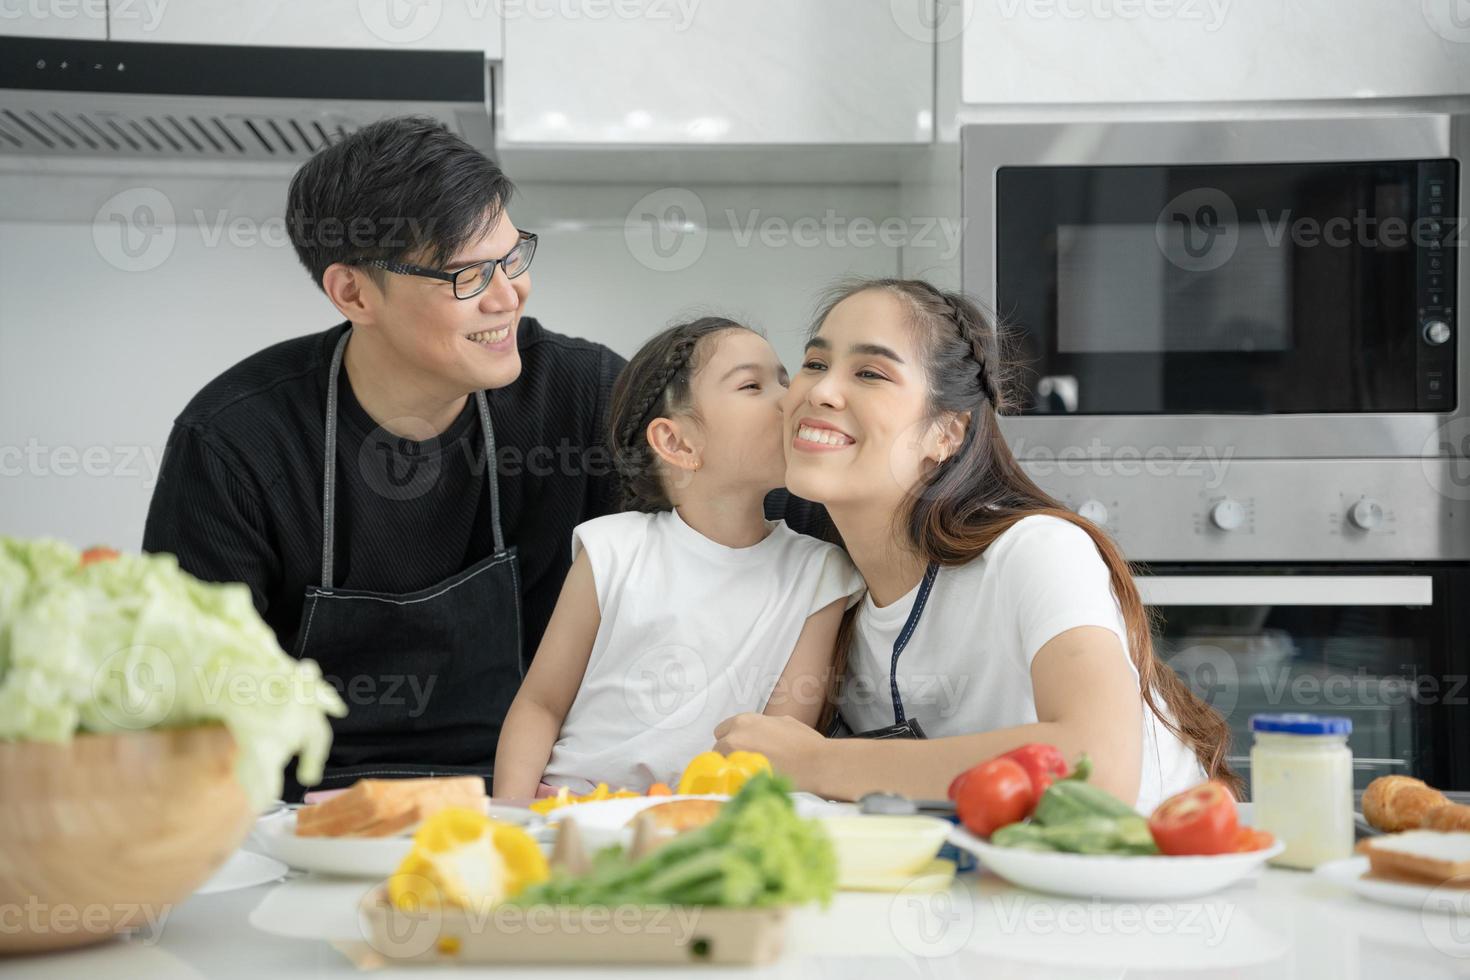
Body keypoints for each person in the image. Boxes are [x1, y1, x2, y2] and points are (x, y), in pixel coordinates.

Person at [141, 116, 625, 799]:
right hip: (298, 820)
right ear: (353, 293)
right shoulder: (235, 441)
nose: (507, 294)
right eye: (466, 275)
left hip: (526, 800)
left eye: (514, 258)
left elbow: (749, 506)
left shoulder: (582, 396)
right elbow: (192, 703)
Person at [712, 279, 1236, 812]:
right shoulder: (830, 593)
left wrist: (818, 762)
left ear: (946, 433)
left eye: (870, 372)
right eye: (816, 363)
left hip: (1145, 877)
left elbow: (1098, 764)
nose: (820, 391)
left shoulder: (1036, 550)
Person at [493, 317, 865, 797]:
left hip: (708, 825)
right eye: (752, 385)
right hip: (571, 805)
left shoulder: (821, 573)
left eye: (784, 381)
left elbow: (780, 743)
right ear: (677, 443)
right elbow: (541, 705)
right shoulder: (612, 549)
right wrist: (513, 816)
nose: (790, 399)